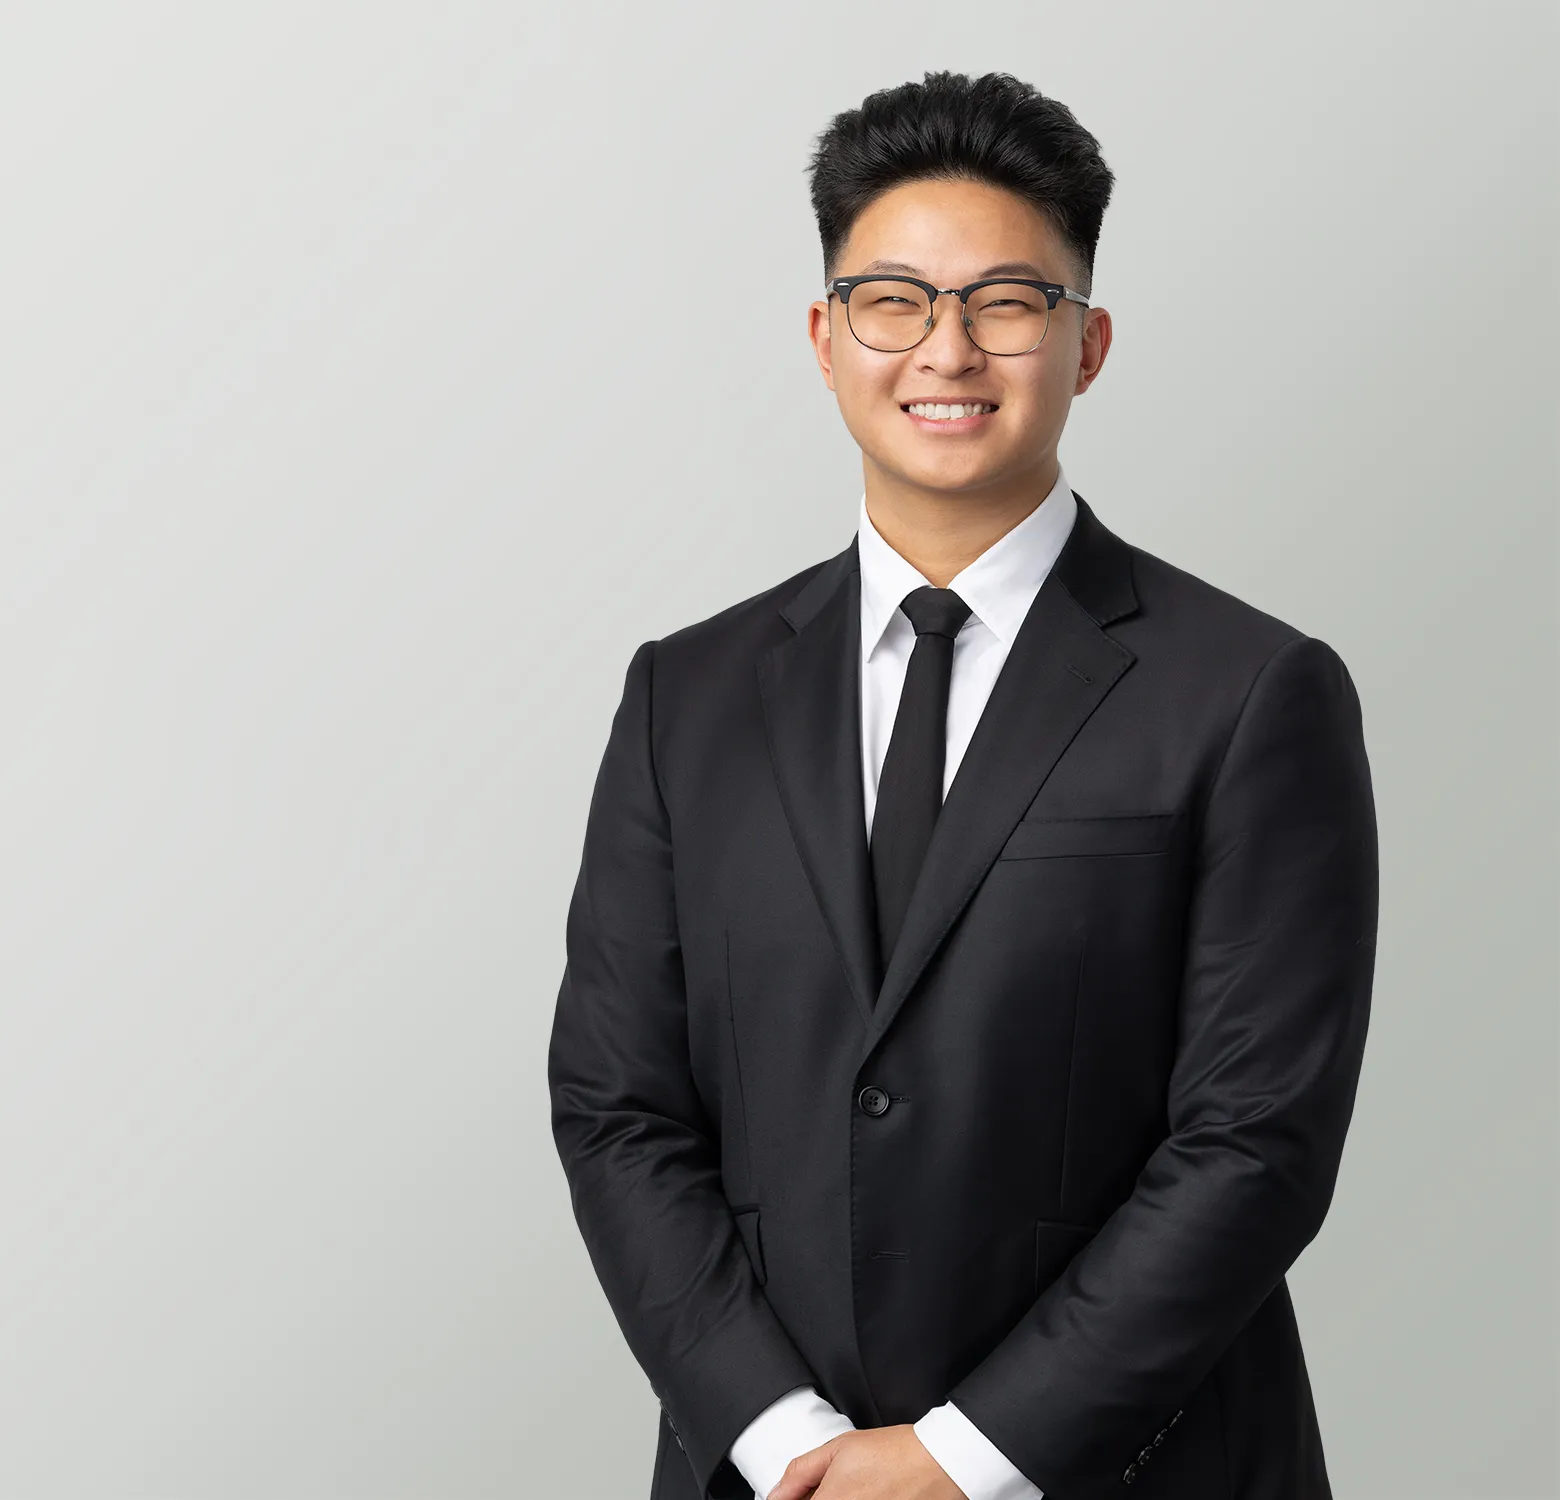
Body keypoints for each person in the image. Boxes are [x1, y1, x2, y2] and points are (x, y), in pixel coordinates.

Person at [548, 69, 1378, 1500]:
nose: (947, 348)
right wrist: (786, 1439)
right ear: (826, 338)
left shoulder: (1251, 693)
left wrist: (961, 1459)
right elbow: (619, 1107)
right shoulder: (687, 696)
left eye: (1006, 302)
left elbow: (1257, 1142)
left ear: (1088, 344)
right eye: (894, 300)